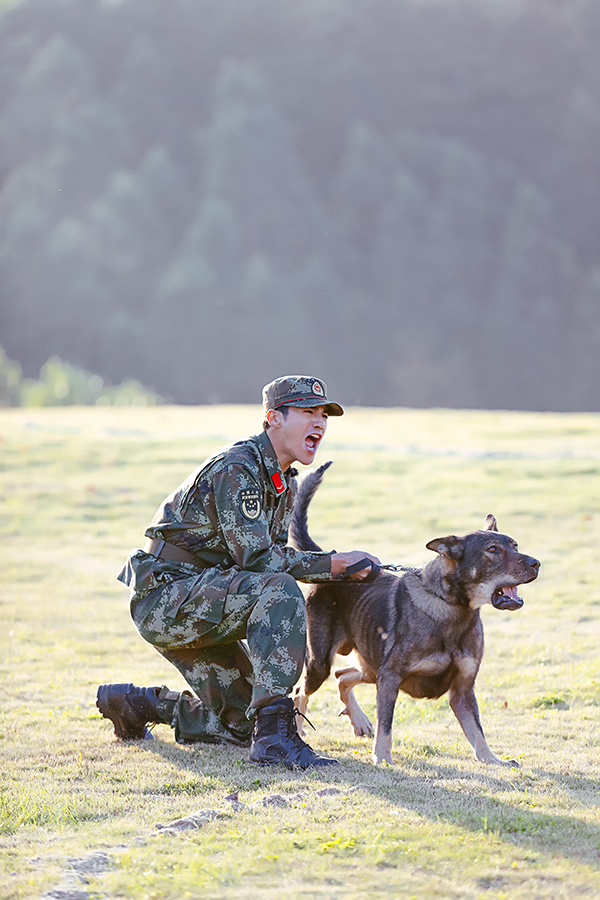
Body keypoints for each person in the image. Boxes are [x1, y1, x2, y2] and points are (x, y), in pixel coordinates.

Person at [97, 375, 380, 768]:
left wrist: (341, 567)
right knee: (279, 591)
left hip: (206, 600)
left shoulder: (283, 482)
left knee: (244, 724)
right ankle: (276, 740)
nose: (319, 423)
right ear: (273, 419)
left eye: (323, 415)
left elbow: (269, 556)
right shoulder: (239, 468)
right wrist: (334, 565)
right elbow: (260, 562)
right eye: (306, 412)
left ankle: (135, 704)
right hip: (168, 598)